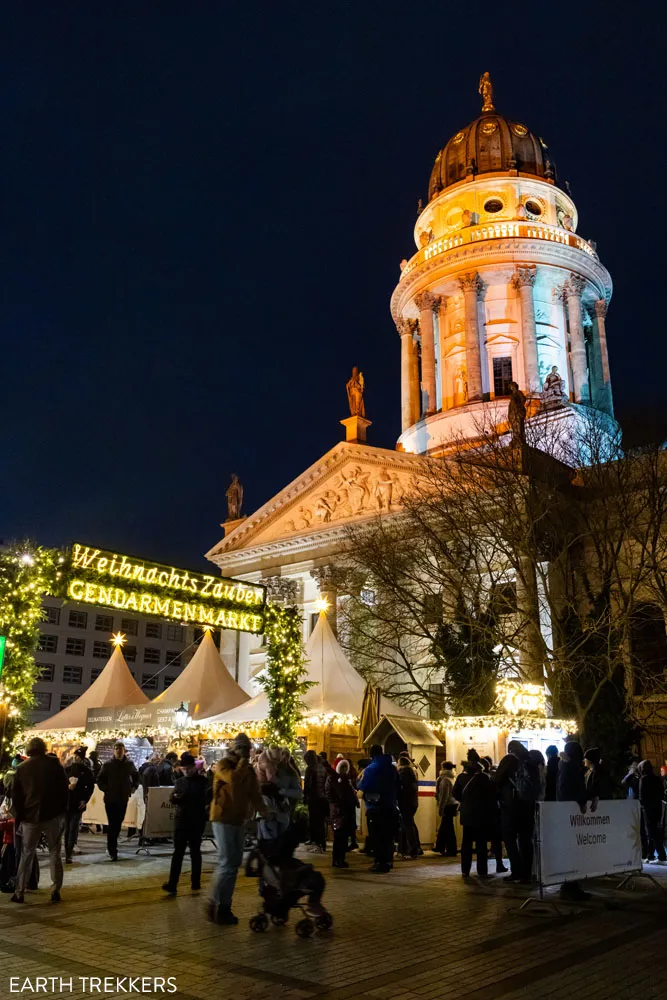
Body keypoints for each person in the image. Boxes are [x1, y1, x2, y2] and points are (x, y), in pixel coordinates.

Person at [209, 733, 264, 925]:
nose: (246, 753)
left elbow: (255, 794)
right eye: (243, 749)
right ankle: (215, 903)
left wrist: (266, 812)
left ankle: (224, 906)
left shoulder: (247, 769)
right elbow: (233, 781)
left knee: (234, 864)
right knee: (227, 863)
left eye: (247, 749)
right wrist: (242, 762)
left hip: (238, 820)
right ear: (235, 749)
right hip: (222, 818)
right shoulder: (224, 765)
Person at [10, 737, 68, 904]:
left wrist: (19, 817)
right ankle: (56, 889)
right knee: (54, 852)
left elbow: (16, 796)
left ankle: (19, 891)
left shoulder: (22, 768)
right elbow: (64, 790)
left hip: (30, 817)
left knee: (27, 853)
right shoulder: (54, 765)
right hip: (52, 816)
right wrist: (61, 812)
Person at [162, 752, 210, 895]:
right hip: (182, 820)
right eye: (184, 769)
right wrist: (176, 797)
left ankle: (195, 882)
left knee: (195, 851)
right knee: (178, 852)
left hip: (196, 820)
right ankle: (172, 883)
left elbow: (206, 799)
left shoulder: (203, 781)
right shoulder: (180, 781)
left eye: (189, 768)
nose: (186, 771)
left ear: (194, 767)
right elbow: (172, 798)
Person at [494, 740, 539, 883]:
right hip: (527, 806)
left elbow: (497, 780)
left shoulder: (509, 760)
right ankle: (526, 874)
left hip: (511, 806)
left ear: (510, 749)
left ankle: (516, 871)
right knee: (526, 840)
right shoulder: (530, 762)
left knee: (510, 839)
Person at [557, 741, 590, 901]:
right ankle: (569, 887)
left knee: (575, 851)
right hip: (570, 815)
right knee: (571, 851)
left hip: (572, 814)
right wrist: (580, 801)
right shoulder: (568, 767)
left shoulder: (570, 766)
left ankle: (572, 885)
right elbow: (567, 790)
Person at [358, 744, 399, 874]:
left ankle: (380, 863)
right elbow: (398, 786)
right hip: (390, 807)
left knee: (377, 837)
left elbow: (363, 787)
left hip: (375, 808)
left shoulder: (371, 769)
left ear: (371, 754)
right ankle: (388, 860)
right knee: (388, 836)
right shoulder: (392, 768)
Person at [96, 742, 139, 861]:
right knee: (112, 824)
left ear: (124, 751)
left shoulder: (129, 764)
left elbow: (136, 776)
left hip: (123, 798)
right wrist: (107, 789)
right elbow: (99, 779)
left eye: (120, 750)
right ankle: (112, 850)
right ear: (114, 751)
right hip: (110, 799)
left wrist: (133, 787)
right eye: (117, 749)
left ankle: (112, 846)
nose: (119, 752)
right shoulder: (108, 764)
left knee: (118, 822)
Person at [459, 761, 498, 879]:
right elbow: (492, 796)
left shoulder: (461, 778)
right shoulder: (485, 778)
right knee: (481, 844)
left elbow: (455, 792)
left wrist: (465, 802)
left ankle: (465, 870)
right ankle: (482, 870)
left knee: (466, 843)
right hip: (481, 815)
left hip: (467, 815)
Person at [64, 747, 94, 863]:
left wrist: (85, 800)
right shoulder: (67, 770)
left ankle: (69, 852)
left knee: (73, 827)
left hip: (78, 804)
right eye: (75, 756)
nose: (76, 758)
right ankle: (67, 851)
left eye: (78, 756)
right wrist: (68, 787)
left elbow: (90, 787)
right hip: (67, 802)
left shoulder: (87, 772)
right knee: (67, 829)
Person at [326, 760, 358, 868]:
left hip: (344, 811)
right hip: (339, 811)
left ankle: (340, 859)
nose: (344, 769)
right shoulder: (336, 779)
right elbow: (337, 795)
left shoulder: (345, 779)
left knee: (343, 837)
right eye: (342, 767)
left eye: (345, 767)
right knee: (339, 837)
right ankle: (337, 860)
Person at [638, 760, 666, 864]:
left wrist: (643, 806)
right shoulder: (657, 779)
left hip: (648, 810)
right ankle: (650, 855)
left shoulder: (643, 779)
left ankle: (661, 856)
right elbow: (661, 794)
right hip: (657, 808)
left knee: (652, 833)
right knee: (654, 832)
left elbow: (641, 796)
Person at [303, 750, 329, 853]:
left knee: (314, 822)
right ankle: (322, 843)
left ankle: (317, 844)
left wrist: (305, 797)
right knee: (321, 822)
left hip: (314, 798)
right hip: (323, 798)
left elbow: (308, 785)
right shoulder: (322, 768)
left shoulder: (310, 769)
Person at [396, 756, 420, 859]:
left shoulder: (403, 773)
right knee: (405, 826)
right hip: (412, 803)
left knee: (408, 826)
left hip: (405, 803)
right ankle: (403, 849)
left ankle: (412, 850)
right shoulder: (411, 773)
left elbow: (400, 789)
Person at [435, 761, 458, 857]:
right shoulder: (453, 778)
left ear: (443, 768)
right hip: (453, 805)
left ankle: (450, 849)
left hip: (447, 805)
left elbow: (444, 796)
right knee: (446, 826)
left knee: (448, 828)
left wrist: (441, 808)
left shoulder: (444, 779)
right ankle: (440, 846)